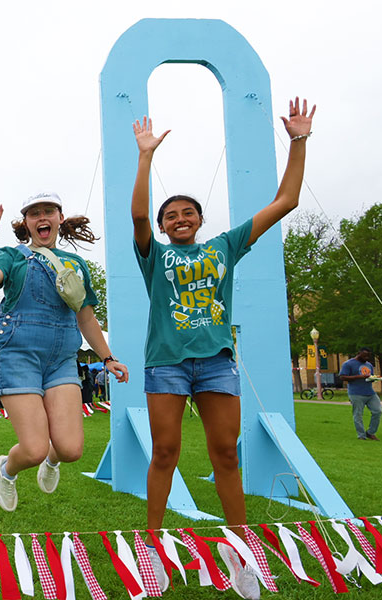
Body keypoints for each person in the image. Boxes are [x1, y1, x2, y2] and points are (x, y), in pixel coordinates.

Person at [130, 98, 315, 599]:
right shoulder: (154, 255)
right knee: (164, 451)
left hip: (215, 364)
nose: (179, 217)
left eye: (188, 212)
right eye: (173, 215)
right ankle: (152, 550)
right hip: (166, 364)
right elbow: (139, 216)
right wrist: (146, 156)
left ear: (200, 220)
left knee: (225, 455)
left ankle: (240, 552)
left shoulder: (224, 247)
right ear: (166, 227)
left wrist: (298, 140)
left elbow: (286, 202)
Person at [0, 193, 128, 511]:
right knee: (32, 449)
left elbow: (85, 317)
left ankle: (52, 462)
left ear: (59, 217)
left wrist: (107, 358)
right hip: (16, 355)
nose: (42, 218)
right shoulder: (12, 257)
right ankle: (7, 470)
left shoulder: (77, 265)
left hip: (60, 359)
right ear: (26, 223)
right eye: (34, 213)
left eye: (48, 211)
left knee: (70, 450)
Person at [339, 347, 382, 441]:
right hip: (356, 393)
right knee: (358, 414)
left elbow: (369, 377)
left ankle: (370, 432)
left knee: (378, 411)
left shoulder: (369, 365)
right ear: (359, 353)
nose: (366, 358)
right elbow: (342, 377)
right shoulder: (348, 364)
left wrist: (374, 378)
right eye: (364, 355)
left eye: (368, 356)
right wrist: (359, 376)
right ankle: (361, 435)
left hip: (370, 392)